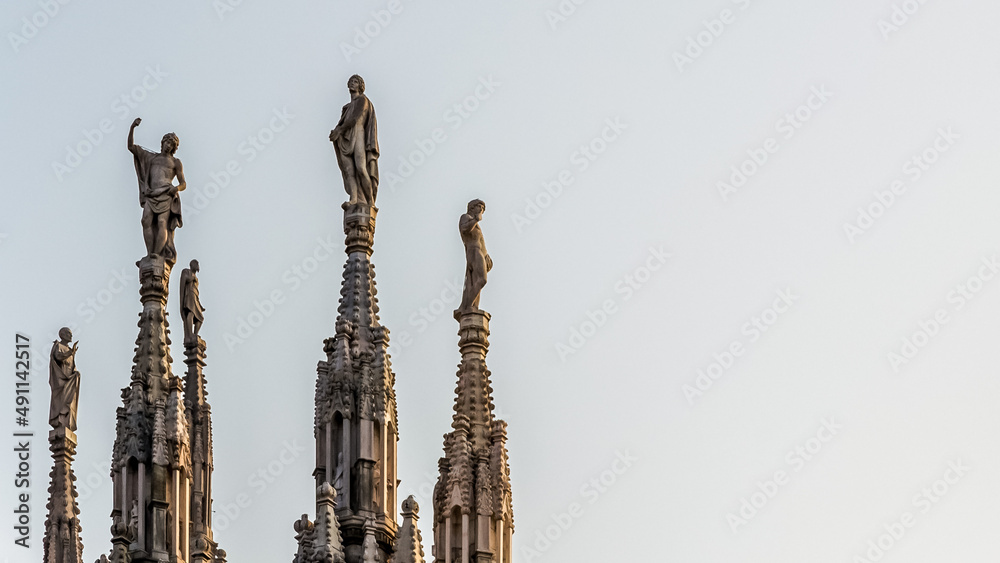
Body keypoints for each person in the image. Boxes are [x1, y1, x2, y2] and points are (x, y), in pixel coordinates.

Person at [128, 117, 185, 263]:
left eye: (171, 144)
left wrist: (175, 188)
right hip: (151, 194)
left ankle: (157, 254)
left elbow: (183, 183)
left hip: (166, 194)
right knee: (145, 220)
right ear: (162, 142)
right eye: (166, 142)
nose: (168, 145)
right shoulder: (151, 158)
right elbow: (131, 147)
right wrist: (133, 127)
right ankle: (150, 253)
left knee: (161, 223)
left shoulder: (175, 162)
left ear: (174, 147)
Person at [329, 75, 379, 206]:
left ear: (361, 86)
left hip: (358, 133)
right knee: (349, 170)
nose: (352, 83)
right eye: (350, 81)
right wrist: (336, 132)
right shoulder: (346, 108)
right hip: (345, 139)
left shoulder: (363, 100)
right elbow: (343, 123)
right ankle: (354, 198)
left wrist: (339, 130)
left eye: (355, 81)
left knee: (361, 168)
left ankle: (370, 201)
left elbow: (355, 118)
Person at [456, 199, 492, 317]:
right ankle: (468, 306)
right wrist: (476, 220)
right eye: (479, 208)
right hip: (473, 251)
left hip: (479, 252)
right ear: (472, 207)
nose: (481, 211)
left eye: (482, 209)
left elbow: (481, 242)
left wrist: (486, 256)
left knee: (476, 280)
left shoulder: (476, 224)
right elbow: (465, 230)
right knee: (482, 279)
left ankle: (471, 306)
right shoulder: (466, 217)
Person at [49, 327, 80, 431]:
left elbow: (72, 366)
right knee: (61, 402)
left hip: (69, 380)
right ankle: (60, 419)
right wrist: (70, 352)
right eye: (68, 334)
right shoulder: (59, 346)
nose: (71, 336)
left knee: (69, 403)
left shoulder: (70, 350)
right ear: (62, 335)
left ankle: (67, 420)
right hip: (60, 380)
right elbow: (58, 357)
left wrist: (75, 373)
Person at [180, 259, 206, 345]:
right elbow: (185, 281)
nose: (198, 266)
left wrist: (200, 305)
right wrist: (192, 278)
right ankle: (189, 334)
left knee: (200, 318)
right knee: (190, 313)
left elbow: (197, 291)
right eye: (197, 264)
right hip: (189, 295)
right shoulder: (186, 271)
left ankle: (195, 334)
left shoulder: (196, 278)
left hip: (195, 297)